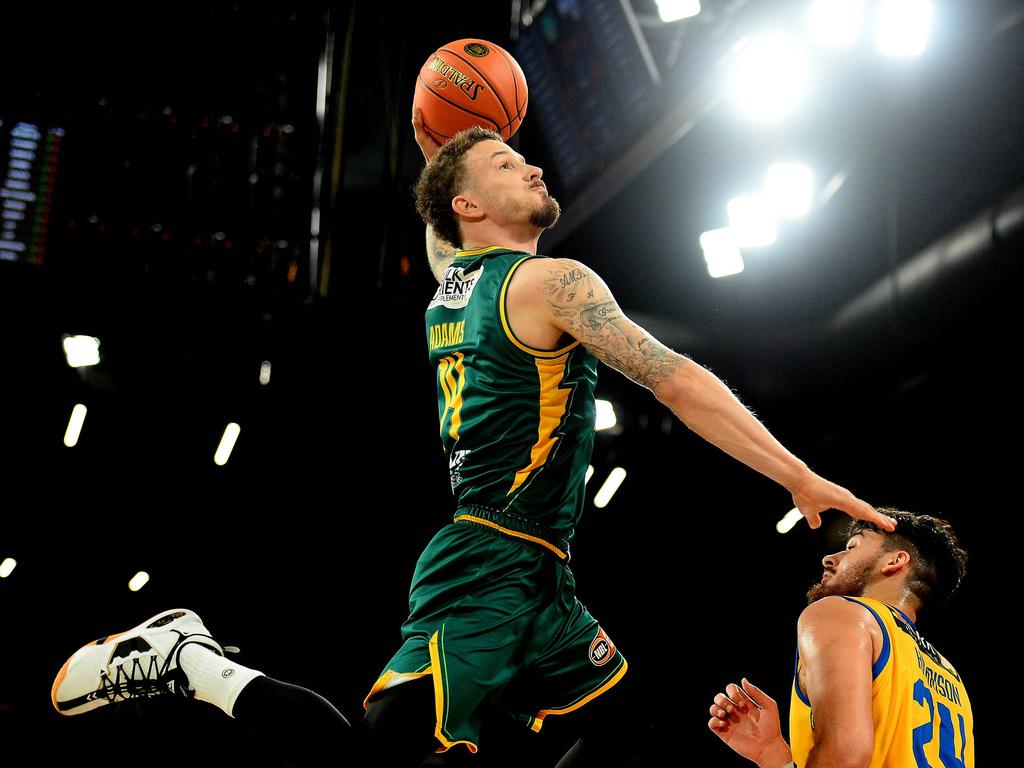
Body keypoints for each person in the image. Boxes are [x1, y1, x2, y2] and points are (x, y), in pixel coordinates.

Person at [50, 109, 897, 768]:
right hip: (489, 558)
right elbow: (672, 377)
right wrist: (799, 477)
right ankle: (192, 662)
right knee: (374, 756)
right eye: (505, 162)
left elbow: (439, 208)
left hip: (538, 570)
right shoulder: (552, 281)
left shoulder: (450, 278)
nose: (531, 163)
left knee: (634, 719)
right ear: (469, 205)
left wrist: (448, 135)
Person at [707, 509, 973, 768]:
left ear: (894, 561)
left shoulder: (842, 613)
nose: (829, 558)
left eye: (852, 546)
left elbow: (845, 758)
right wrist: (772, 754)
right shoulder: (951, 675)